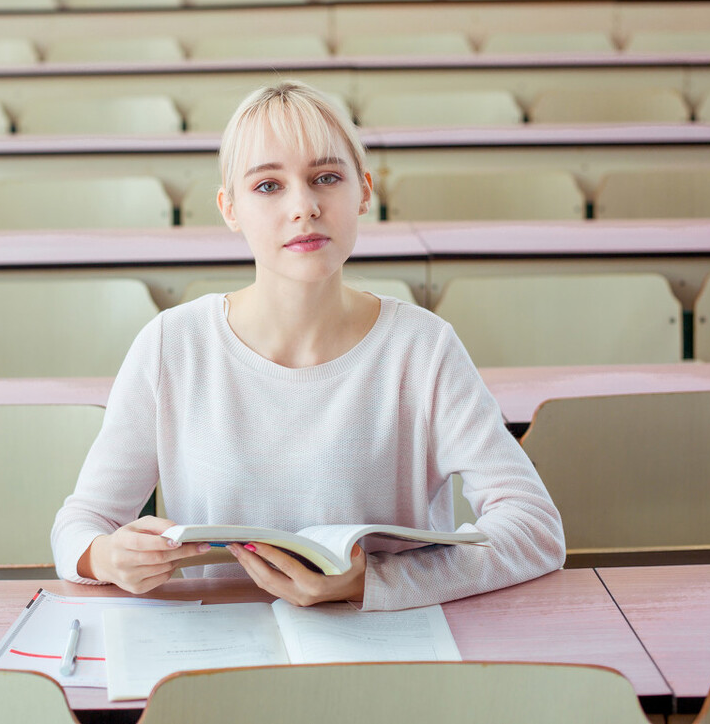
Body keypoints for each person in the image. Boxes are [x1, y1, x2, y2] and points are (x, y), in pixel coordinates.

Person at [51, 79, 565, 611]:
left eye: (326, 178)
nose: (304, 207)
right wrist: (106, 556)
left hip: (387, 649)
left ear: (364, 190)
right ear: (230, 208)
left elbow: (534, 529)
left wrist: (372, 583)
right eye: (268, 186)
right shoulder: (172, 345)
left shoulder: (423, 348)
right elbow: (80, 525)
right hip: (216, 652)